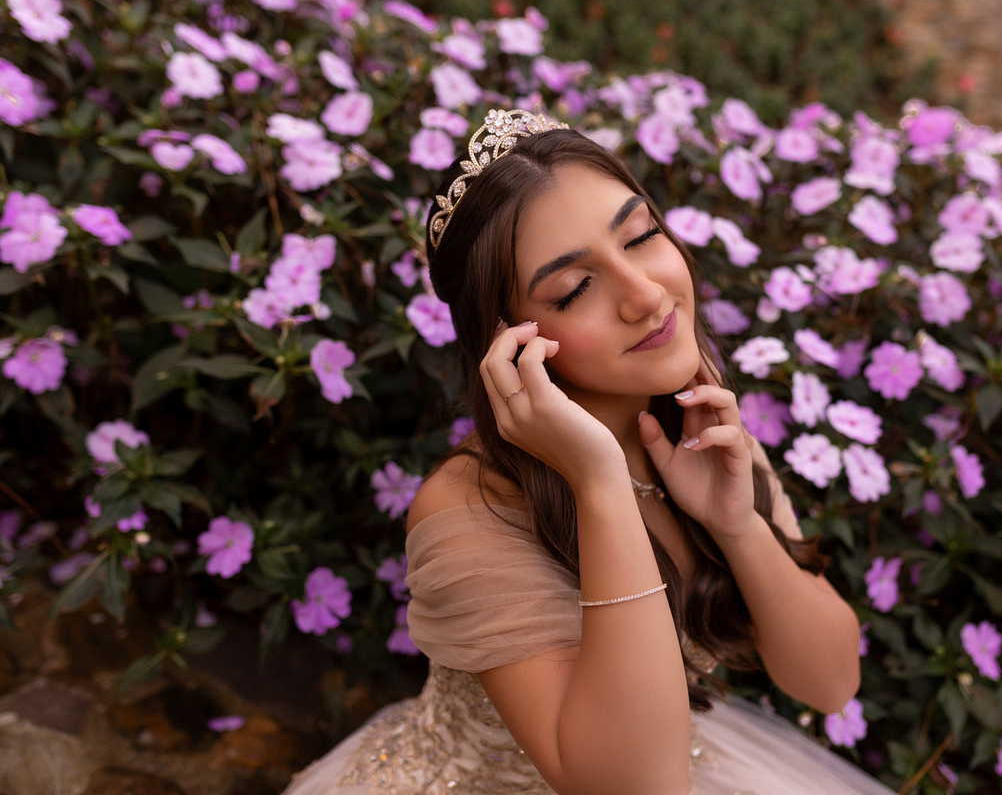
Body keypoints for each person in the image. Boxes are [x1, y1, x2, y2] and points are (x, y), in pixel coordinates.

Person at [281, 110, 895, 795]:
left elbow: (831, 682)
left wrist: (737, 526)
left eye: (640, 237)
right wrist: (600, 479)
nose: (644, 295)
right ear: (509, 338)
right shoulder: (467, 515)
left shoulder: (693, 427)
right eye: (575, 289)